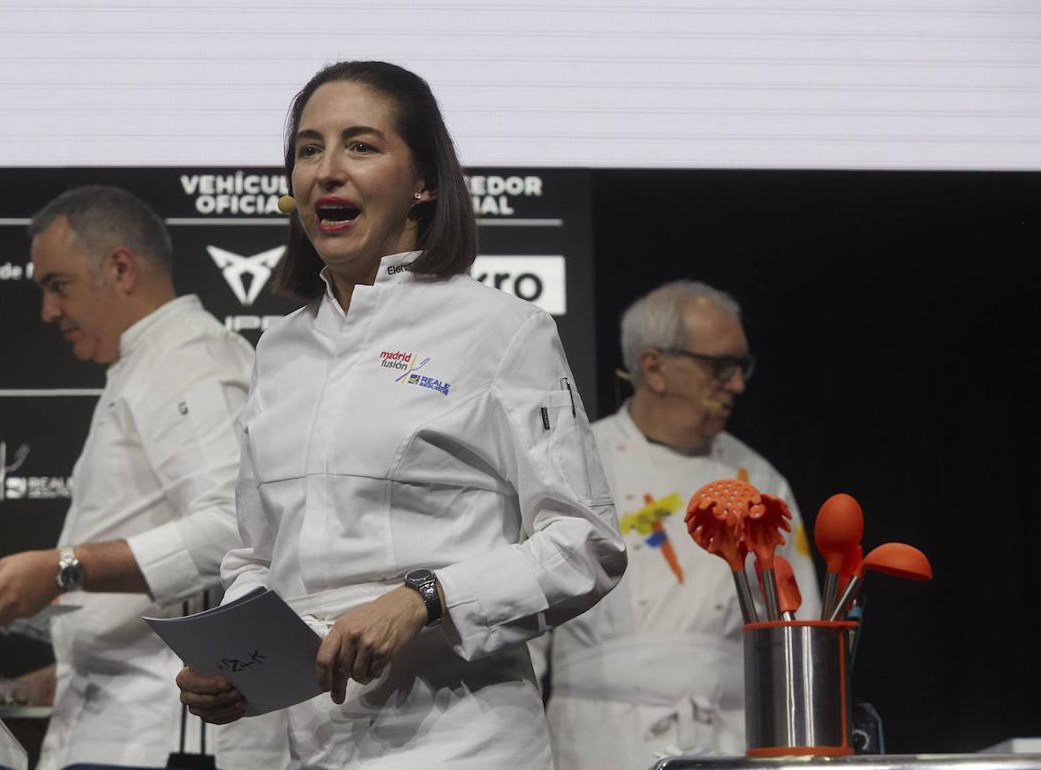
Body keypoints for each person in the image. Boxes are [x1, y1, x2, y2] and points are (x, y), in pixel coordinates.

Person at [175, 61, 627, 769]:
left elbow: (585, 544)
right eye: (307, 149)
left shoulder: (502, 329)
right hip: (315, 747)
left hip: (464, 742)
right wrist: (234, 661)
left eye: (360, 145)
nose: (326, 170)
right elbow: (259, 555)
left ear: (423, 183)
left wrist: (426, 598)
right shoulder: (281, 349)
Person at [0, 185, 289, 770]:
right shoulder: (147, 366)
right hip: (116, 724)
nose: (48, 311)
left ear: (119, 267)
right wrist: (66, 667)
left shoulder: (191, 361)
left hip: (163, 736)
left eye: (56, 286)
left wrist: (64, 568)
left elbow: (233, 529)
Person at [532, 280, 822, 769]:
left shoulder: (761, 482)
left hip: (734, 745)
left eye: (740, 366)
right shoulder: (577, 464)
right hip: (598, 744)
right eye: (720, 367)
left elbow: (797, 642)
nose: (737, 384)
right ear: (654, 367)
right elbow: (526, 630)